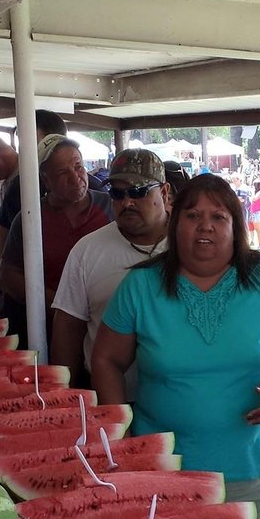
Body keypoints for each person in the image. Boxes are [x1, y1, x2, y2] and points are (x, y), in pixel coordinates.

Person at [93, 174, 260, 519]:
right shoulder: (141, 286)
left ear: (236, 226)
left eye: (219, 216)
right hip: (162, 474)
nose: (204, 225)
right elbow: (106, 360)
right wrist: (123, 440)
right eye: (192, 215)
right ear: (175, 224)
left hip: (256, 471)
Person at [51, 149, 170, 390]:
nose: (127, 202)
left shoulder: (191, 244)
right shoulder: (86, 250)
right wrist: (67, 397)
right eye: (117, 193)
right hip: (106, 397)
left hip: (176, 400)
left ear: (165, 192)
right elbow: (68, 331)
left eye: (138, 191)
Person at [0, 135, 113, 347]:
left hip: (105, 328)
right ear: (46, 179)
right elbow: (8, 275)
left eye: (78, 166)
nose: (75, 177)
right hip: (47, 329)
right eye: (62, 172)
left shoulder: (111, 207)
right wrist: (59, 305)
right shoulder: (30, 218)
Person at [0, 110, 67, 304]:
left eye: (28, 139)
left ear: (55, 140)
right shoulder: (20, 186)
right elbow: (1, 232)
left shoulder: (92, 188)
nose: (22, 148)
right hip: (28, 291)